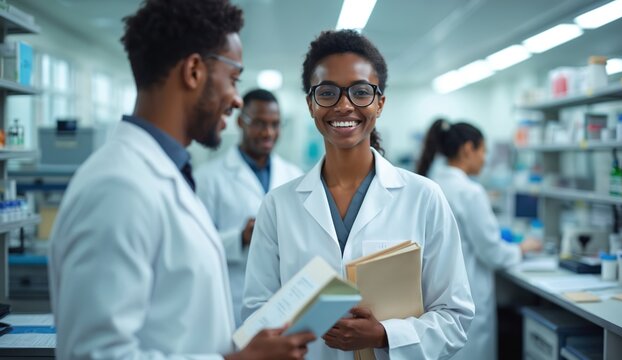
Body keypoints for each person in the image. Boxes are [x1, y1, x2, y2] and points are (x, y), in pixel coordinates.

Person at [47, 0, 315, 359]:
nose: (236, 99)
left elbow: (178, 324)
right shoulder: (118, 188)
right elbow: (96, 353)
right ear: (193, 71)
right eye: (233, 79)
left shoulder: (162, 174)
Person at [242, 29, 474, 360]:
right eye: (327, 93)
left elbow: (455, 317)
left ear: (380, 103)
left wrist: (384, 335)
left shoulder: (424, 197)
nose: (344, 105)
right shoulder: (279, 205)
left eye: (361, 92)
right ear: (310, 104)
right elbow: (255, 317)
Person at [417, 119, 542, 360]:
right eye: (483, 150)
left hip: (434, 293)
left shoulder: (431, 184)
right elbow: (492, 252)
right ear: (467, 149)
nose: (485, 158)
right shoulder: (469, 191)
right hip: (467, 293)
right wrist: (521, 249)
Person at [195, 88, 303, 325]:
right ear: (240, 122)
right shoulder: (208, 178)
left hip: (286, 299)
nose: (268, 132)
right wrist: (240, 238)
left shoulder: (294, 175)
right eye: (259, 123)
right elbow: (195, 247)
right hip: (234, 299)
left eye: (275, 124)